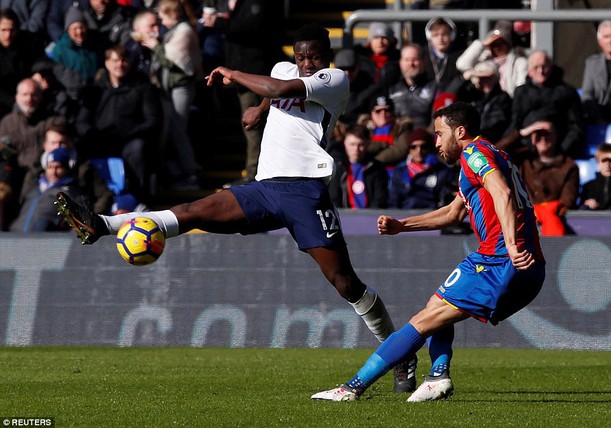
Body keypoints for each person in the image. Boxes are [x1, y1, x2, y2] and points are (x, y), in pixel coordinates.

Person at [54, 23, 418, 393]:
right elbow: (275, 91)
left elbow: (280, 90)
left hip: (305, 191)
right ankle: (103, 224)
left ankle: (400, 353)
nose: (307, 63)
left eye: (315, 56)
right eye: (302, 56)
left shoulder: (334, 79)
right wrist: (260, 111)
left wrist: (234, 74)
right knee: (195, 209)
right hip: (265, 187)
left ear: (327, 54)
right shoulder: (281, 69)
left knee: (345, 283)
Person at [312, 102, 545, 402]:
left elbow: (502, 192)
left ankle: (352, 388)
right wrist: (401, 225)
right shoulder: (490, 156)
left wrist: (511, 245)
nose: (436, 142)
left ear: (460, 132)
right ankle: (437, 376)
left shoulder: (475, 154)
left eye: (439, 134)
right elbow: (452, 213)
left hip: (500, 260)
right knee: (435, 306)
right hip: (524, 265)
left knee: (423, 321)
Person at [200, 0, 286, 187]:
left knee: (253, 125)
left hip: (254, 73)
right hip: (242, 72)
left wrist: (220, 23)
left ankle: (255, 173)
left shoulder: (256, 4)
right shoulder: (233, 4)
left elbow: (252, 28)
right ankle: (255, 171)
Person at [75, 44, 161, 200]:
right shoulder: (96, 90)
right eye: (115, 60)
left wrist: (129, 133)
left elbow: (152, 120)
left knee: (138, 149)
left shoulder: (142, 88)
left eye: (124, 60)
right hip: (101, 140)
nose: (120, 64)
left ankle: (139, 199)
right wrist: (92, 134)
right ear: (107, 63)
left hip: (129, 140)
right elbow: (82, 121)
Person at [139, 0, 202, 190]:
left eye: (164, 17)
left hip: (180, 88)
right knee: (173, 131)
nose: (162, 22)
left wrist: (155, 46)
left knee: (178, 131)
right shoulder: (174, 31)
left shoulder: (184, 32)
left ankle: (191, 173)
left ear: (173, 15)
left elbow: (172, 62)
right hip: (170, 89)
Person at [497, 50, 584, 160]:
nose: (541, 71)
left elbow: (576, 127)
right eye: (536, 67)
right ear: (529, 71)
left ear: (551, 67)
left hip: (556, 151)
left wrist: (560, 152)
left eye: (544, 67)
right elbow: (515, 123)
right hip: (525, 151)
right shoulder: (521, 92)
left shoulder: (566, 92)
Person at [518, 120, 579, 236]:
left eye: (547, 134)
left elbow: (567, 200)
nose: (543, 138)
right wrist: (522, 133)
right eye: (539, 134)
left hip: (554, 220)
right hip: (525, 221)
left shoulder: (568, 166)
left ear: (556, 137)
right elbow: (492, 154)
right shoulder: (523, 161)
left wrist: (543, 211)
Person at [9, 146, 82, 232]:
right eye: (50, 167)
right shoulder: (33, 191)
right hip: (15, 239)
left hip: (44, 242)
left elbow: (78, 227)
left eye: (58, 167)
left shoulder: (70, 194)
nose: (53, 172)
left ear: (66, 169)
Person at [456, 20, 527, 98]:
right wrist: (482, 44)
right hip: (485, 100)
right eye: (493, 44)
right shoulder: (484, 59)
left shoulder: (519, 62)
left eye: (500, 43)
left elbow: (521, 88)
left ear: (508, 45)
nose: (496, 47)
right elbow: (461, 65)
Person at [388, 127, 455, 209]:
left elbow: (445, 201)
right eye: (413, 147)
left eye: (423, 146)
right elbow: (393, 202)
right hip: (405, 217)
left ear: (429, 148)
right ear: (409, 149)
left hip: (433, 217)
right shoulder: (400, 171)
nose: (419, 150)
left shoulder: (442, 171)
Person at [0, 8, 47, 119]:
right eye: (3, 30)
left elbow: (41, 60)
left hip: (29, 93)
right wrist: (15, 102)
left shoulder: (28, 41)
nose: (8, 35)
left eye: (12, 30)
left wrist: (39, 73)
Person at [328, 123, 389, 209]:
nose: (356, 149)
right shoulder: (338, 167)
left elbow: (379, 200)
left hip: (371, 218)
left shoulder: (377, 168)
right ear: (344, 143)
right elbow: (334, 199)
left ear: (368, 144)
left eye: (361, 145)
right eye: (352, 144)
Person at [388, 43, 437, 129]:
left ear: (423, 62)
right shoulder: (392, 88)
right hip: (397, 137)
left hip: (425, 137)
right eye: (407, 60)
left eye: (415, 59)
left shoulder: (434, 87)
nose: (411, 64)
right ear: (401, 63)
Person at [461, 60, 512, 143]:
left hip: (489, 142)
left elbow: (495, 123)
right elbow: (449, 94)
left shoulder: (502, 98)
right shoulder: (472, 96)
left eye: (489, 78)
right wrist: (466, 76)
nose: (485, 82)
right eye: (481, 78)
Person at [359, 94, 413, 169]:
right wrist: (384, 144)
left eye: (387, 110)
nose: (383, 114)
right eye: (378, 111)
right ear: (371, 113)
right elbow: (360, 147)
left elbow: (401, 149)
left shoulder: (402, 127)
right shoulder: (362, 128)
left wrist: (375, 162)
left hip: (394, 170)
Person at [354, 22, 400, 91]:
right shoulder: (359, 59)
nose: (380, 42)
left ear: (390, 41)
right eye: (376, 37)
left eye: (384, 38)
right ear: (370, 41)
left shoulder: (399, 59)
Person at [423, 17, 462, 96]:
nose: (440, 38)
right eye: (436, 35)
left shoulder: (459, 56)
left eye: (444, 34)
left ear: (452, 36)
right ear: (429, 38)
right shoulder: (422, 56)